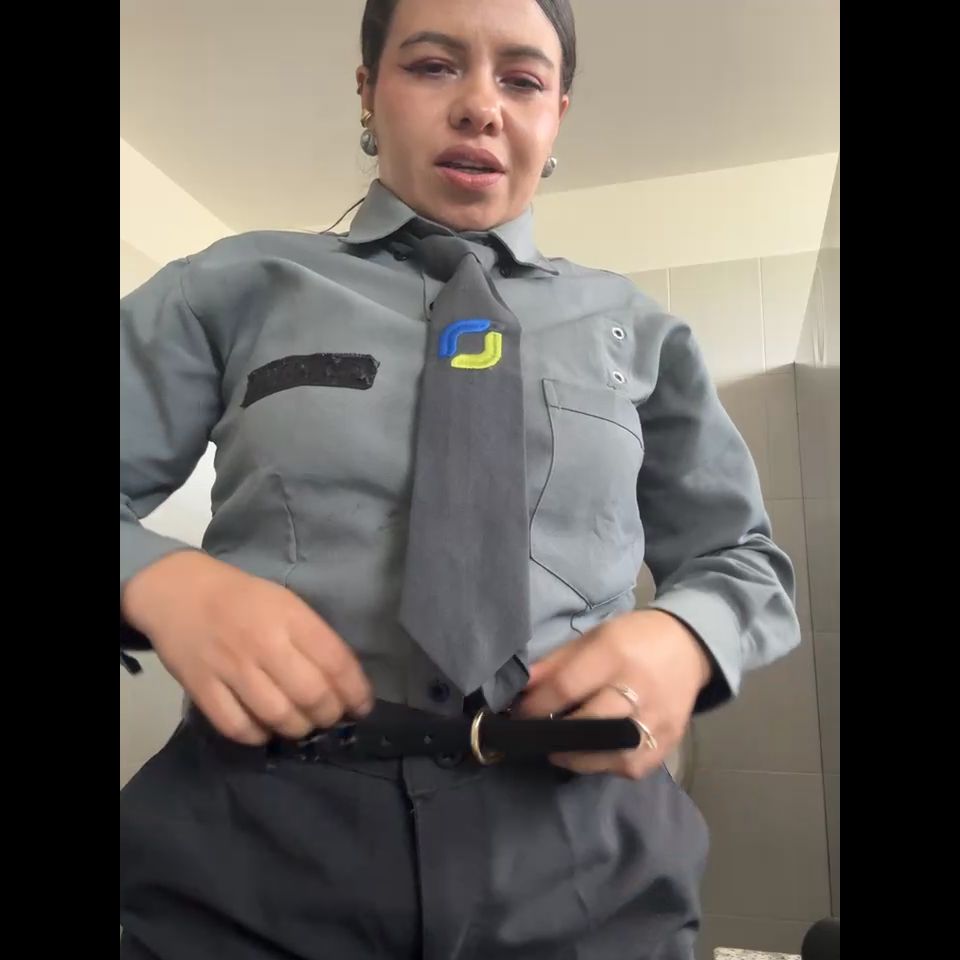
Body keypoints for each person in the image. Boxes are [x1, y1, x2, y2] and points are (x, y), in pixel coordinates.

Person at [119, 0, 801, 957]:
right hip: (246, 850)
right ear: (368, 91)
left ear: (556, 114)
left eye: (522, 80)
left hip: (585, 860)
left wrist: (684, 638)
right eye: (434, 65)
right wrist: (160, 581)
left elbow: (744, 559)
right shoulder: (230, 287)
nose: (482, 106)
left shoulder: (640, 333)